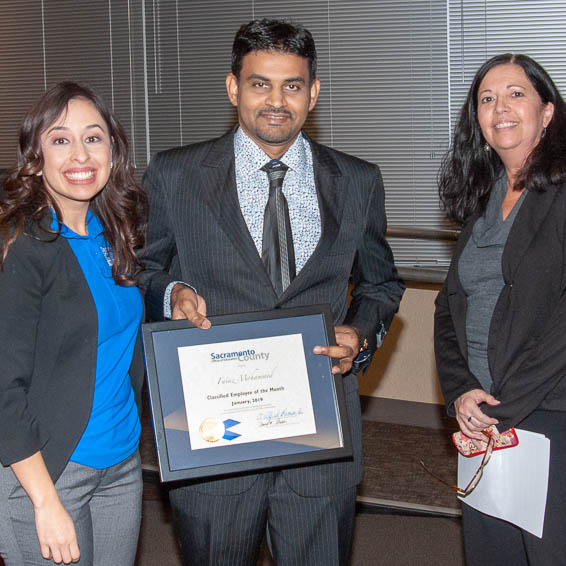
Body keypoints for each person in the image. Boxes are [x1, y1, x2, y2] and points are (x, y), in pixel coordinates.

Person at [139, 18, 404, 566]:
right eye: (260, 83)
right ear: (233, 87)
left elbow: (381, 283)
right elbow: (141, 268)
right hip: (214, 440)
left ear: (314, 91)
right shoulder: (175, 174)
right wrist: (173, 294)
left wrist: (360, 331)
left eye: (292, 85)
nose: (276, 100)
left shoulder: (358, 181)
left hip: (320, 438)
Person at [0, 82, 148, 565]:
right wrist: (44, 503)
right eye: (60, 139)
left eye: (94, 137)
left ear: (113, 150)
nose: (79, 154)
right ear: (36, 155)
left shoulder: (115, 232)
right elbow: (4, 388)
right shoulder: (24, 246)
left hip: (122, 463)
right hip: (49, 470)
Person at [435, 53, 566, 565]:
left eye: (516, 94)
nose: (500, 108)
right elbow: (450, 308)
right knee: (493, 554)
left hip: (549, 412)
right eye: (486, 99)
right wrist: (462, 391)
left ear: (547, 112)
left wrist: (502, 408)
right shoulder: (482, 197)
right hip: (483, 417)